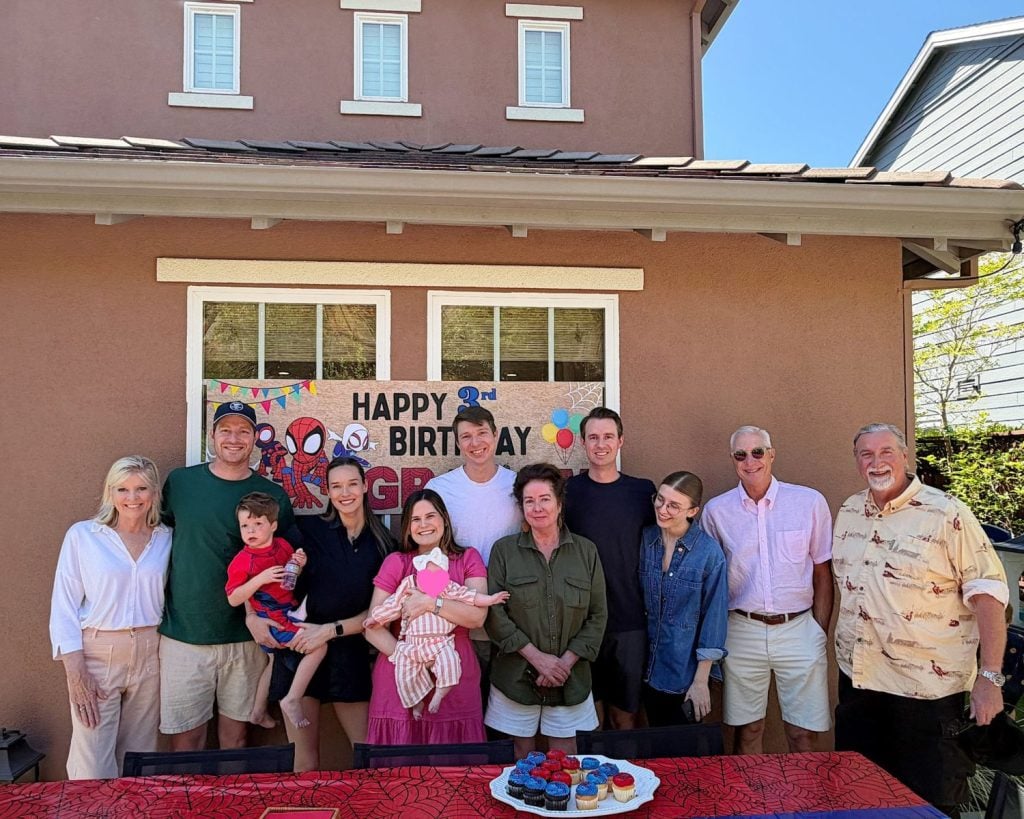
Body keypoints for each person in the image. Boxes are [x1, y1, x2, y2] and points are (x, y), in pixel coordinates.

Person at [833, 423, 1009, 818]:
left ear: (905, 456)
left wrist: (990, 676)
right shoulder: (848, 511)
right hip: (861, 685)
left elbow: (990, 598)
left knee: (930, 806)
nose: (876, 462)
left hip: (926, 696)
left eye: (886, 452)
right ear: (857, 461)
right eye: (866, 454)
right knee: (862, 799)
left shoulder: (946, 513)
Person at [159, 401, 295, 751]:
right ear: (212, 436)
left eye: (243, 431)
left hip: (246, 636)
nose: (234, 439)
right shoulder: (181, 483)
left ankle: (231, 808)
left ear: (254, 440)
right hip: (185, 633)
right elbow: (160, 535)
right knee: (186, 740)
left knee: (236, 738)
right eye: (226, 430)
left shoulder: (273, 495)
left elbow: (284, 565)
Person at [702, 425, 833, 754]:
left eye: (758, 452)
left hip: (799, 628)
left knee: (802, 733)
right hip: (742, 629)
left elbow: (822, 570)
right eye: (741, 454)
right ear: (732, 460)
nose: (750, 461)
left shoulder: (808, 502)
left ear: (771, 454)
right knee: (748, 730)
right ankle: (751, 806)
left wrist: (819, 630)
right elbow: (711, 579)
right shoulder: (717, 511)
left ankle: (807, 805)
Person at [269, 456, 395, 771]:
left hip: (350, 653)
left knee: (368, 757)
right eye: (336, 486)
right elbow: (262, 568)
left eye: (352, 483)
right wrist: (252, 616)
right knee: (304, 761)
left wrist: (331, 630)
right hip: (301, 652)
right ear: (327, 490)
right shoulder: (308, 531)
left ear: (366, 486)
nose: (345, 493)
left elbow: (382, 611)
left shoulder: (383, 544)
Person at [49, 456, 172, 779]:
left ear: (155, 493)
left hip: (150, 652)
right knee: (92, 762)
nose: (133, 498)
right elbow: (63, 607)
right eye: (123, 489)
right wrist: (76, 674)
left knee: (139, 757)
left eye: (141, 488)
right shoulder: (84, 536)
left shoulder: (165, 538)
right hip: (97, 655)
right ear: (110, 492)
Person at [485, 463, 608, 758]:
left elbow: (598, 614)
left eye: (544, 499)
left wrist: (563, 664)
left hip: (571, 677)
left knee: (565, 759)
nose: (537, 507)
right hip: (515, 676)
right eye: (529, 501)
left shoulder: (585, 551)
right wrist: (538, 659)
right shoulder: (504, 551)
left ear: (559, 503)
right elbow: (495, 614)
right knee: (521, 762)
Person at [365, 488, 490, 744]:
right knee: (402, 772)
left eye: (430, 516)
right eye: (415, 519)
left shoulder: (467, 559)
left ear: (444, 519)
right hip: (400, 676)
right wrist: (408, 657)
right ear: (407, 527)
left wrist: (431, 603)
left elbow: (477, 617)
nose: (424, 525)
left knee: (456, 769)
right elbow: (373, 626)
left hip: (455, 674)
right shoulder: (397, 562)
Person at [564, 407, 655, 729]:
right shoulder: (569, 492)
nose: (600, 444)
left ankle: (628, 779)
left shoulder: (643, 492)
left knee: (626, 715)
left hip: (630, 619)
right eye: (593, 437)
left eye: (607, 437)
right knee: (590, 717)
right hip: (581, 622)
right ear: (583, 443)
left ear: (620, 442)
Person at [426, 406, 522, 686]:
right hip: (459, 621)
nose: (475, 443)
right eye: (466, 436)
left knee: (508, 706)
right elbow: (427, 552)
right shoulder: (440, 489)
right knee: (465, 701)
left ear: (496, 435)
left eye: (482, 433)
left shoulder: (517, 486)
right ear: (457, 443)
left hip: (512, 617)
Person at [364, 546, 509, 717]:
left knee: (451, 663)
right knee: (404, 672)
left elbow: (470, 597)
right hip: (413, 643)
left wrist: (491, 599)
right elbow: (392, 606)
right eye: (427, 575)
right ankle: (416, 701)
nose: (432, 579)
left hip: (441, 643)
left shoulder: (448, 589)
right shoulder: (409, 587)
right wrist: (376, 618)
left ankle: (440, 693)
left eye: (437, 575)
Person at [225, 492, 322, 731]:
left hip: (288, 611)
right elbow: (233, 598)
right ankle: (292, 698)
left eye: (258, 524)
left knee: (274, 661)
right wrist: (259, 579)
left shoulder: (283, 546)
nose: (251, 530)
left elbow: (291, 578)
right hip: (272, 621)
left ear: (273, 525)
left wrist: (298, 564)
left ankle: (257, 711)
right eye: (245, 525)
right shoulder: (242, 560)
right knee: (319, 645)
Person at [640, 471, 728, 727]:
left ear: (693, 511)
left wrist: (701, 681)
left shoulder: (709, 554)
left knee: (681, 754)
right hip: (646, 669)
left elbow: (714, 619)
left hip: (684, 675)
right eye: (660, 499)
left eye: (674, 505)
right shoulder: (646, 540)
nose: (663, 509)